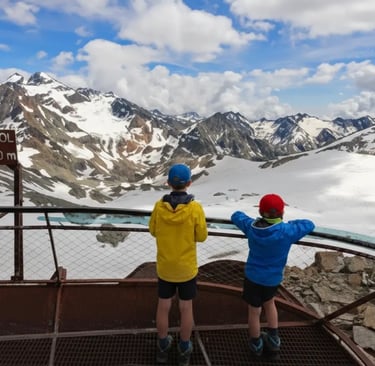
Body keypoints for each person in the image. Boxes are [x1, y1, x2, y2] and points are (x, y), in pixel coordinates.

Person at [231, 193, 314, 357]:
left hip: (253, 277)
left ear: (261, 212)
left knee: (254, 311)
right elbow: (309, 224)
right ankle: (274, 340)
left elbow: (236, 215)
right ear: (282, 213)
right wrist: (289, 223)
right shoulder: (287, 231)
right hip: (273, 279)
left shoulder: (251, 227)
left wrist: (254, 218)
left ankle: (256, 344)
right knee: (270, 304)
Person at [149, 163, 208, 365]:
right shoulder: (195, 208)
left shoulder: (159, 206)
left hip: (165, 267)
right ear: (189, 183)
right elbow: (201, 236)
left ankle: (163, 345)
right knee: (186, 307)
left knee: (163, 306)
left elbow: (153, 230)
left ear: (168, 183)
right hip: (186, 269)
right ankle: (184, 348)